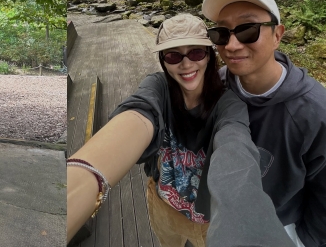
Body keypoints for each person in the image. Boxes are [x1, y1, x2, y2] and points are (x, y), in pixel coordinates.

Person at [67, 13, 293, 246]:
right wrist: (84, 178)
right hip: (162, 204)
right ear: (163, 60)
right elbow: (137, 115)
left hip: (207, 222)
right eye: (173, 55)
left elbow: (234, 146)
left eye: (196, 53)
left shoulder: (228, 105)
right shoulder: (158, 87)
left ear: (209, 55)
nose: (186, 64)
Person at [202, 0, 326, 247]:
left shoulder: (320, 114)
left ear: (278, 35)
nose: (231, 45)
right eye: (221, 33)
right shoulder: (217, 87)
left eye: (248, 30)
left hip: (283, 228)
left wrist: (306, 240)